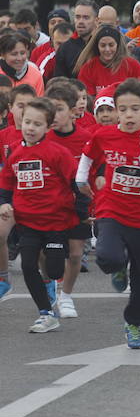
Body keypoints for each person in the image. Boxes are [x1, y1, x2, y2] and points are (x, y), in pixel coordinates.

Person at [77, 78, 140, 348]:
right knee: (107, 256)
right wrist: (81, 180)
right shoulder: (104, 134)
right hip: (111, 209)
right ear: (116, 110)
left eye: (135, 109)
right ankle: (118, 269)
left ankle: (133, 323)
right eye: (123, 109)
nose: (128, 115)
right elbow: (88, 155)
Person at [0, 98, 88, 333]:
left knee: (55, 270)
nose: (30, 128)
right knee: (28, 266)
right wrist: (4, 203)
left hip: (56, 223)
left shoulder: (57, 153)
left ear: (48, 128)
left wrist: (82, 211)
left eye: (37, 124)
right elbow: (7, 182)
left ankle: (53, 286)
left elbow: (74, 182)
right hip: (28, 223)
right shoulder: (16, 154)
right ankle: (46, 313)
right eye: (27, 122)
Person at [45, 82, 97, 319]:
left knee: (75, 254)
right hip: (49, 206)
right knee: (47, 253)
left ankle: (66, 296)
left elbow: (96, 172)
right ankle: (50, 288)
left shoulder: (87, 138)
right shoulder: (43, 138)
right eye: (49, 109)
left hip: (78, 204)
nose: (53, 115)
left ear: (73, 110)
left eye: (58, 109)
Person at [73, 26, 140, 95]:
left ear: (117, 45)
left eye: (111, 45)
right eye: (103, 45)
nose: (107, 49)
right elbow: (86, 99)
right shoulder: (88, 68)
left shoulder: (132, 65)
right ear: (97, 46)